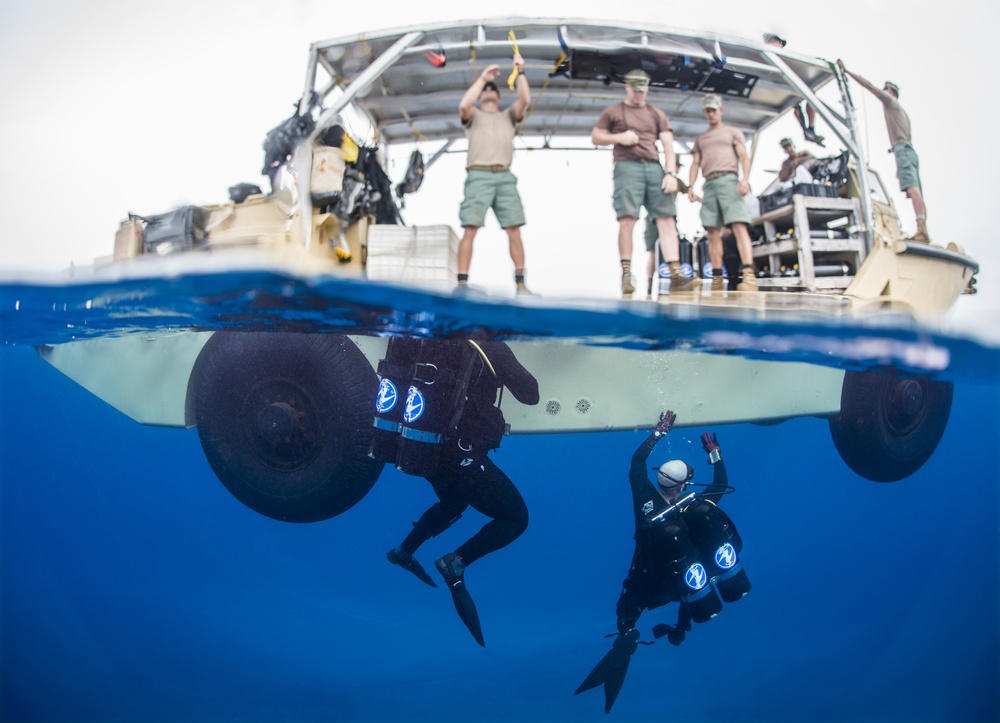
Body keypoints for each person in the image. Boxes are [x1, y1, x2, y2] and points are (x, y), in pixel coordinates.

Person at [574, 411, 750, 714]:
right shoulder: (697, 505)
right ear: (684, 484)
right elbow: (722, 481)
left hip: (650, 579)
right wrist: (714, 452)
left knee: (630, 609)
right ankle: (681, 629)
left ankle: (626, 637)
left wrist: (659, 432)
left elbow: (636, 464)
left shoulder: (645, 501)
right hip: (685, 579)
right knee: (692, 580)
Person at [374, 336, 540, 647]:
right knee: (517, 517)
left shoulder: (434, 342)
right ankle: (456, 563)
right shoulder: (492, 348)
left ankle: (403, 551)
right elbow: (531, 395)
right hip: (462, 457)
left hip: (428, 451)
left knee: (453, 502)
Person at [591, 68, 686, 298]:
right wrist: (619, 138)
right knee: (627, 219)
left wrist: (671, 173)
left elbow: (668, 147)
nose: (639, 95)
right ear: (627, 87)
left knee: (666, 219)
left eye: (642, 91)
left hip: (654, 166)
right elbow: (596, 136)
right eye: (635, 91)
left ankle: (676, 275)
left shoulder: (657, 114)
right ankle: (626, 274)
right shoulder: (613, 111)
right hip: (626, 166)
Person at [456, 52, 534, 294]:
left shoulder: (508, 116)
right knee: (470, 228)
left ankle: (521, 285)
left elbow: (524, 99)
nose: (489, 89)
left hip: (505, 176)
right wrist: (482, 79)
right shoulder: (473, 115)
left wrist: (519, 71)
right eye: (485, 89)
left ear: (499, 98)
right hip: (478, 175)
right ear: (481, 97)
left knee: (514, 229)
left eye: (492, 88)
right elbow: (464, 105)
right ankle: (461, 284)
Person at [837, 60, 929, 242]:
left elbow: (870, 87)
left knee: (912, 190)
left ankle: (922, 230)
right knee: (915, 190)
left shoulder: (891, 101)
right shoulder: (902, 112)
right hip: (907, 150)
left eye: (886, 90)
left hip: (902, 150)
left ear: (891, 92)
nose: (884, 93)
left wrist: (846, 71)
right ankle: (922, 226)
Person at [688, 94, 758, 292]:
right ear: (705, 112)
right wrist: (691, 185)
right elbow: (695, 163)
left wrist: (745, 179)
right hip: (709, 183)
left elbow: (744, 156)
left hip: (730, 180)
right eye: (707, 110)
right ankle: (718, 278)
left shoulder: (733, 132)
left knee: (739, 226)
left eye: (714, 109)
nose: (711, 113)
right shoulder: (700, 139)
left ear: (721, 110)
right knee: (711, 231)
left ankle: (748, 275)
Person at [763, 33, 825, 147]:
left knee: (808, 96)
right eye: (777, 41)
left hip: (788, 85)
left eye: (781, 43)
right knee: (796, 102)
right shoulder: (763, 53)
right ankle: (807, 129)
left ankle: (809, 129)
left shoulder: (786, 58)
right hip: (772, 85)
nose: (780, 44)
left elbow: (799, 64)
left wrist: (814, 62)